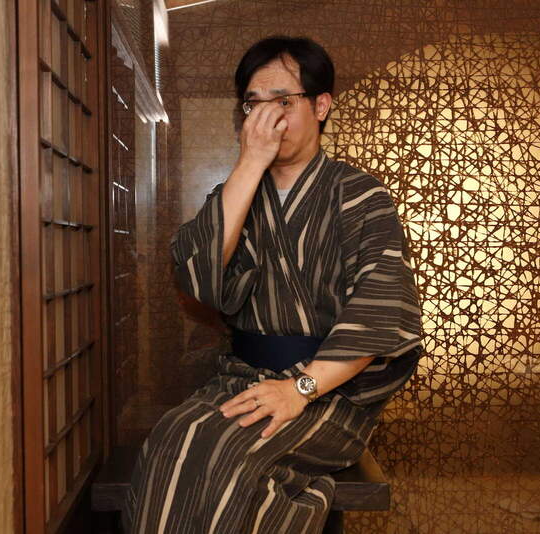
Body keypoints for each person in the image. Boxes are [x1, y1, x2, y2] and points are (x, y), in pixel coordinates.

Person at [122, 35, 423, 534]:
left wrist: (299, 389)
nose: (267, 118)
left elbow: (379, 312)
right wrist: (249, 164)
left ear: (321, 106)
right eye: (254, 104)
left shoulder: (360, 197)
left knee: (225, 452)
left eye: (283, 101)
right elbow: (195, 277)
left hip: (330, 392)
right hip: (242, 377)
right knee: (173, 438)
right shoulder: (236, 193)